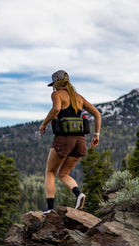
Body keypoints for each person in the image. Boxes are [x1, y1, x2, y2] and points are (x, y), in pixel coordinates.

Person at [39, 70, 101, 212]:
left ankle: (49, 209)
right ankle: (79, 194)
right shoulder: (78, 97)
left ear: (56, 83)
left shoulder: (56, 95)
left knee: (50, 172)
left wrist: (43, 124)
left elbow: (56, 109)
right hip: (80, 140)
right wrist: (96, 134)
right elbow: (97, 113)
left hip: (64, 139)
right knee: (63, 174)